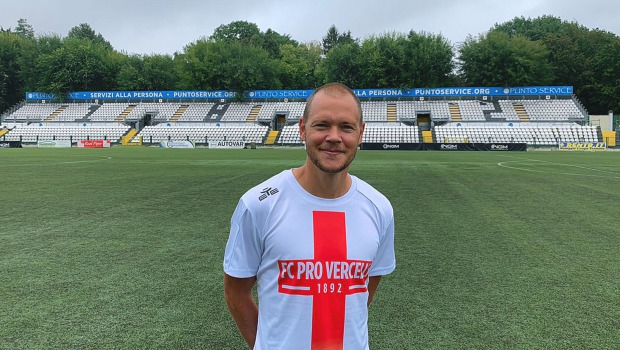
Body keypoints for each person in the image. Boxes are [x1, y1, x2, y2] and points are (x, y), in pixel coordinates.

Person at [223, 82, 396, 350]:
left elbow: (363, 290)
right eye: (322, 125)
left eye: (346, 127)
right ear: (303, 129)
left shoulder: (379, 207)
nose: (334, 137)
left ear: (361, 133)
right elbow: (236, 290)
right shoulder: (258, 204)